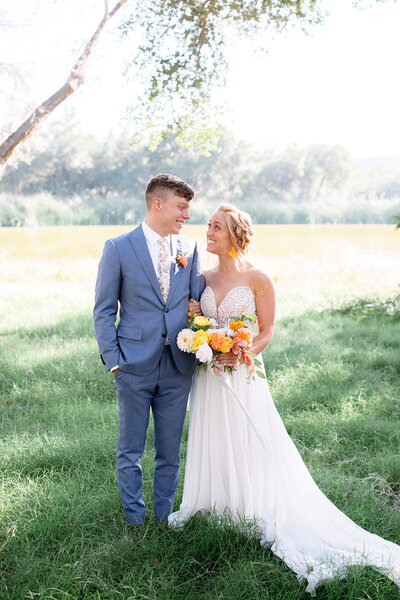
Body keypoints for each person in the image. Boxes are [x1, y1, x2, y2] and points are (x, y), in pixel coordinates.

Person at [168, 204, 400, 595]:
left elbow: (267, 332)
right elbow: (196, 323)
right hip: (209, 378)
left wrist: (241, 350)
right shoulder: (201, 278)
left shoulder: (259, 279)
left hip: (242, 375)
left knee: (252, 440)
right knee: (215, 439)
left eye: (216, 227)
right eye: (207, 225)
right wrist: (197, 323)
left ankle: (255, 506)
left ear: (236, 235)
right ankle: (218, 502)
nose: (208, 232)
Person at [93, 174, 205, 529]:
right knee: (130, 451)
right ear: (158, 203)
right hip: (132, 366)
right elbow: (103, 310)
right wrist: (114, 363)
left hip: (178, 367)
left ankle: (164, 518)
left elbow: (199, 300)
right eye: (181, 207)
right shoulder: (117, 248)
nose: (186, 215)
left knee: (170, 452)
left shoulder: (188, 249)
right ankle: (135, 522)